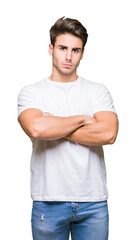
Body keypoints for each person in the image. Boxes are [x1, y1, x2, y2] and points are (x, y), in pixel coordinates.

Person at [18, 17, 118, 240]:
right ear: (51, 48)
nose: (69, 56)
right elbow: (35, 128)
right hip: (49, 201)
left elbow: (109, 134)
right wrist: (84, 119)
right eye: (63, 48)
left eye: (76, 50)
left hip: (93, 202)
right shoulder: (32, 93)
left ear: (82, 53)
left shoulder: (97, 91)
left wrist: (55, 126)